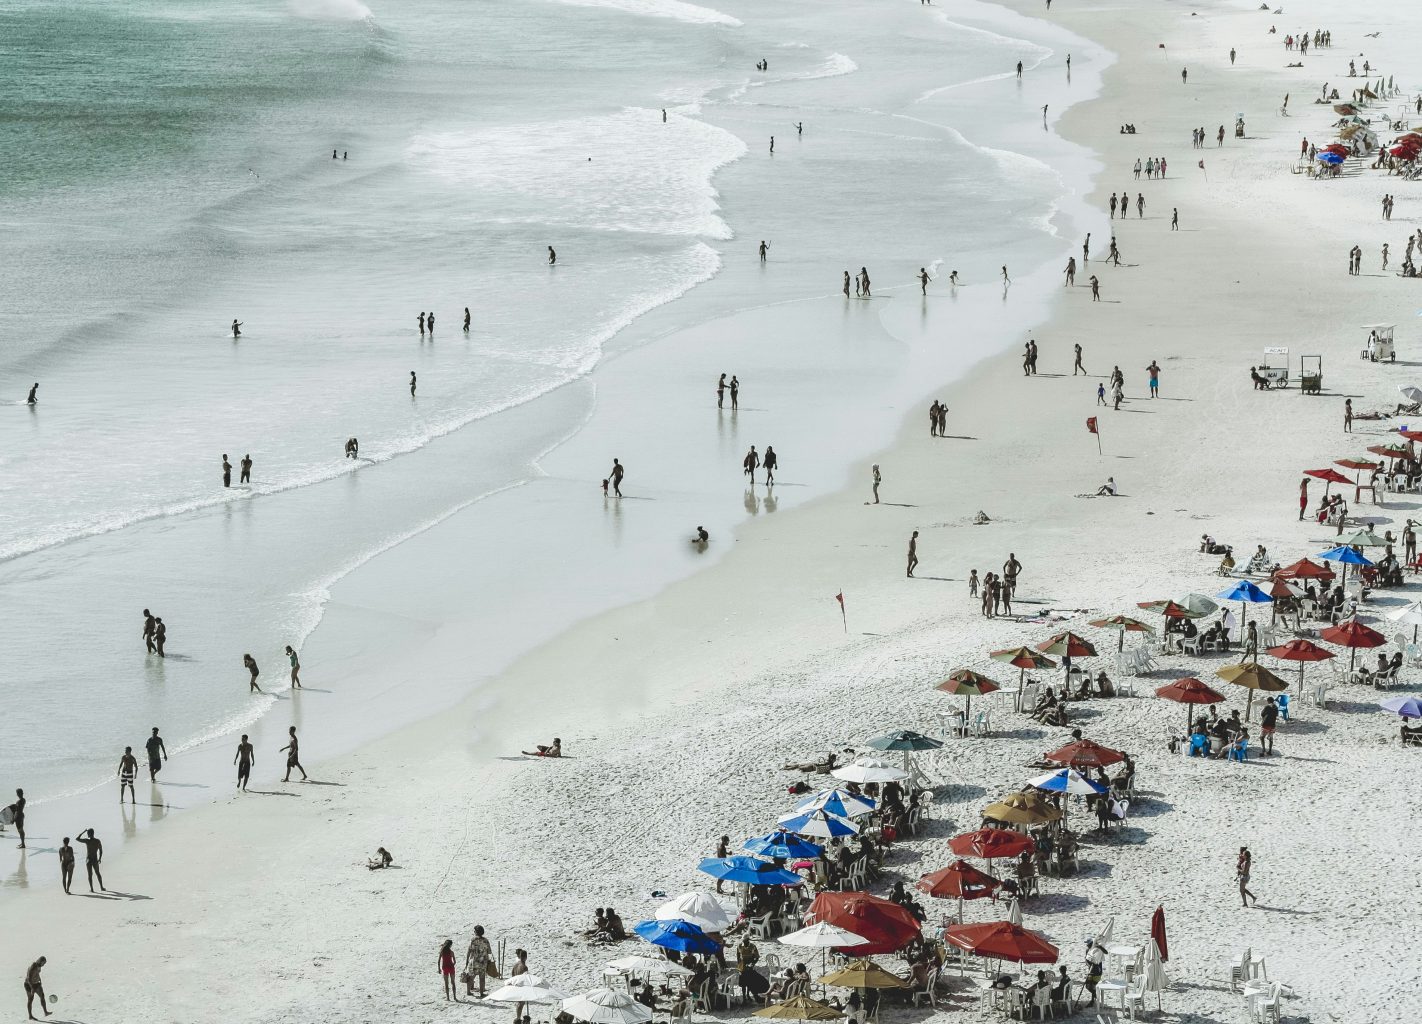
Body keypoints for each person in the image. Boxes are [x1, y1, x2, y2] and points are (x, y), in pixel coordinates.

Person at [465, 925, 494, 997]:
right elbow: (489, 952)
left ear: (476, 932)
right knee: (482, 978)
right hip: (483, 962)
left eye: (474, 931)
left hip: (474, 961)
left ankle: (468, 992)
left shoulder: (473, 940)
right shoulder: (486, 940)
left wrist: (467, 960)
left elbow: (469, 950)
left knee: (471, 977)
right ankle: (481, 993)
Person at [77, 827, 104, 892]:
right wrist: (100, 859)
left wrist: (83, 832)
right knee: (98, 873)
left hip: (88, 860)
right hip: (95, 859)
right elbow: (101, 851)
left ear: (89, 834)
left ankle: (92, 889)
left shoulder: (87, 841)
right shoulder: (97, 841)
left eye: (87, 833)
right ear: (93, 833)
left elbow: (77, 839)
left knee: (90, 875)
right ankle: (101, 887)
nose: (87, 835)